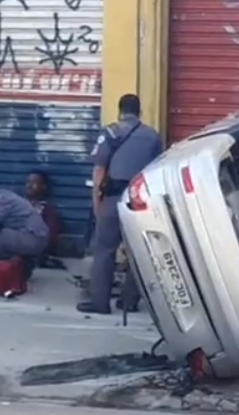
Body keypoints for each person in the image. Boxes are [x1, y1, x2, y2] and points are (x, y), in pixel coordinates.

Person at [78, 94, 163, 315]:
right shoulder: (153, 136)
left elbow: (99, 170)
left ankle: (100, 302)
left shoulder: (111, 132)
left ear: (120, 110)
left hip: (113, 198)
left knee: (105, 250)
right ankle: (129, 301)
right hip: (139, 200)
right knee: (139, 252)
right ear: (140, 111)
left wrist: (97, 199)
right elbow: (156, 169)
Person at [25, 170, 62, 257]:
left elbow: (50, 236)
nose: (29, 186)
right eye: (28, 182)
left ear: (43, 186)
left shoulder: (48, 210)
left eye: (34, 183)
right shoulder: (17, 205)